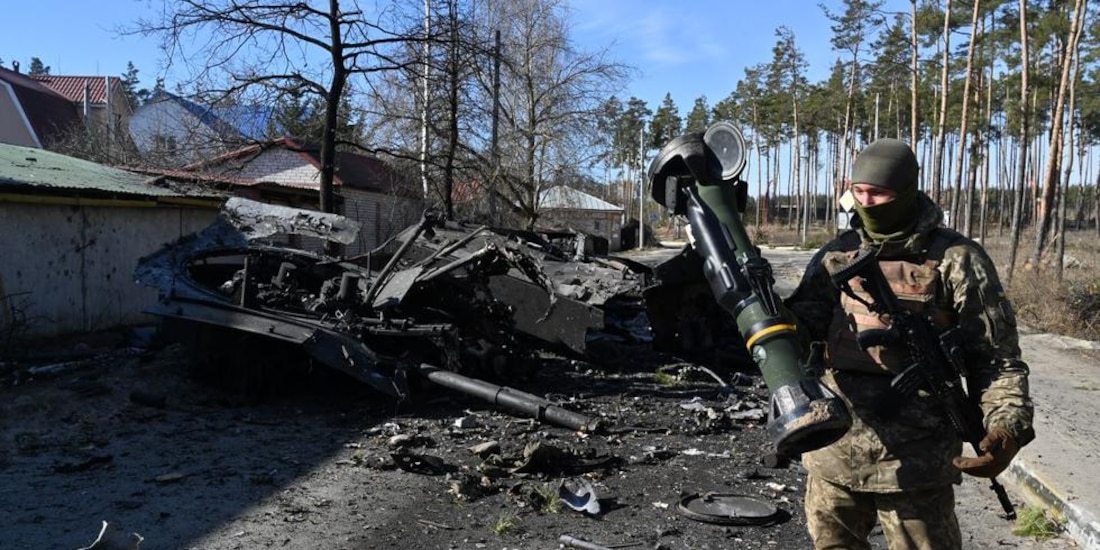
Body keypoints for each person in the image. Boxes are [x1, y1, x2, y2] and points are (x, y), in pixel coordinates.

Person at [784, 138, 1034, 550]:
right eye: (858, 192)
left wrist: (1006, 426)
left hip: (918, 461)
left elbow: (997, 360)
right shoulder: (836, 256)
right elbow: (799, 331)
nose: (866, 202)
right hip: (834, 452)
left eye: (878, 193)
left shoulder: (958, 259)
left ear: (907, 192)